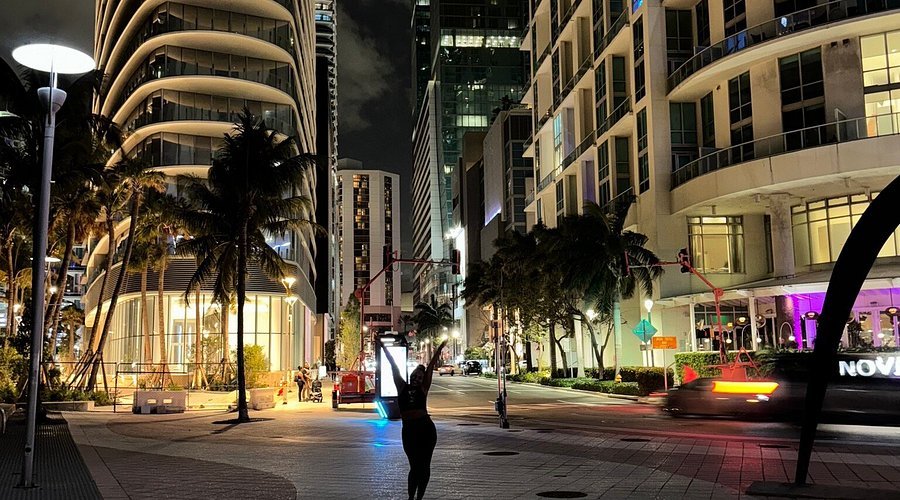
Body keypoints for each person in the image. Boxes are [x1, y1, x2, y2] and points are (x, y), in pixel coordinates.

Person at [383, 339, 448, 500]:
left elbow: (431, 365)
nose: (417, 378)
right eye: (415, 376)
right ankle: (411, 497)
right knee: (414, 466)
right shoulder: (402, 386)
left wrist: (439, 348)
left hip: (425, 429)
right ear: (411, 375)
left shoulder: (424, 388)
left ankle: (419, 497)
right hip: (409, 430)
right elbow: (394, 366)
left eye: (420, 377)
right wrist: (384, 348)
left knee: (425, 465)